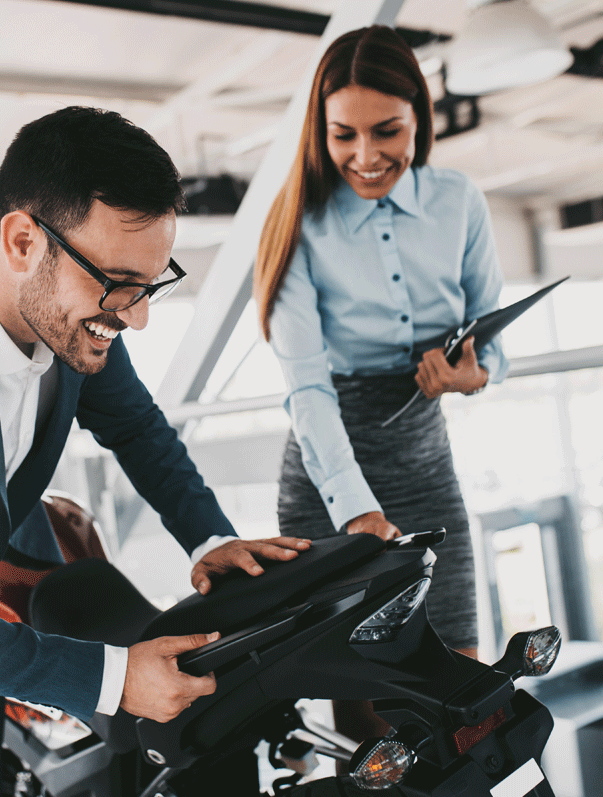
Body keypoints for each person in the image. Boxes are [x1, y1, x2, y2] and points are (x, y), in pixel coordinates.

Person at [0, 106, 310, 796]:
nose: (135, 315)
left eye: (149, 284)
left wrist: (207, 538)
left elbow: (133, 422)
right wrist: (114, 676)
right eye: (119, 285)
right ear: (21, 242)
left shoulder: (64, 299)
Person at [254, 25, 507, 739]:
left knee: (464, 706)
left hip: (425, 463)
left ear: (419, 118)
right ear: (320, 131)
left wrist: (472, 373)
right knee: (373, 727)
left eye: (387, 131)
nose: (366, 157)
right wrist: (354, 510)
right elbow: (307, 391)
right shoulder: (298, 223)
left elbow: (492, 338)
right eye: (343, 136)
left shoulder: (459, 200)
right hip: (329, 472)